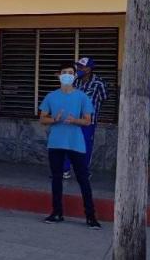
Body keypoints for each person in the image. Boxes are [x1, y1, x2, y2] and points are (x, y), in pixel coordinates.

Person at [39, 62, 101, 229]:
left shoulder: (82, 97)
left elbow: (88, 121)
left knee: (83, 179)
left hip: (76, 144)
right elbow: (42, 119)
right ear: (59, 75)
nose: (67, 75)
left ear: (75, 76)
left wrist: (75, 121)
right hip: (56, 143)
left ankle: (91, 216)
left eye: (70, 72)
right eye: (64, 72)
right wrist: (54, 119)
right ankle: (57, 212)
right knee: (56, 179)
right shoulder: (51, 96)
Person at [62, 56, 108, 178]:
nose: (79, 68)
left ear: (89, 69)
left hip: (88, 121)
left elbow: (104, 98)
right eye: (78, 66)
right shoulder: (76, 81)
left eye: (81, 67)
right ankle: (65, 169)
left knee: (85, 146)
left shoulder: (99, 83)